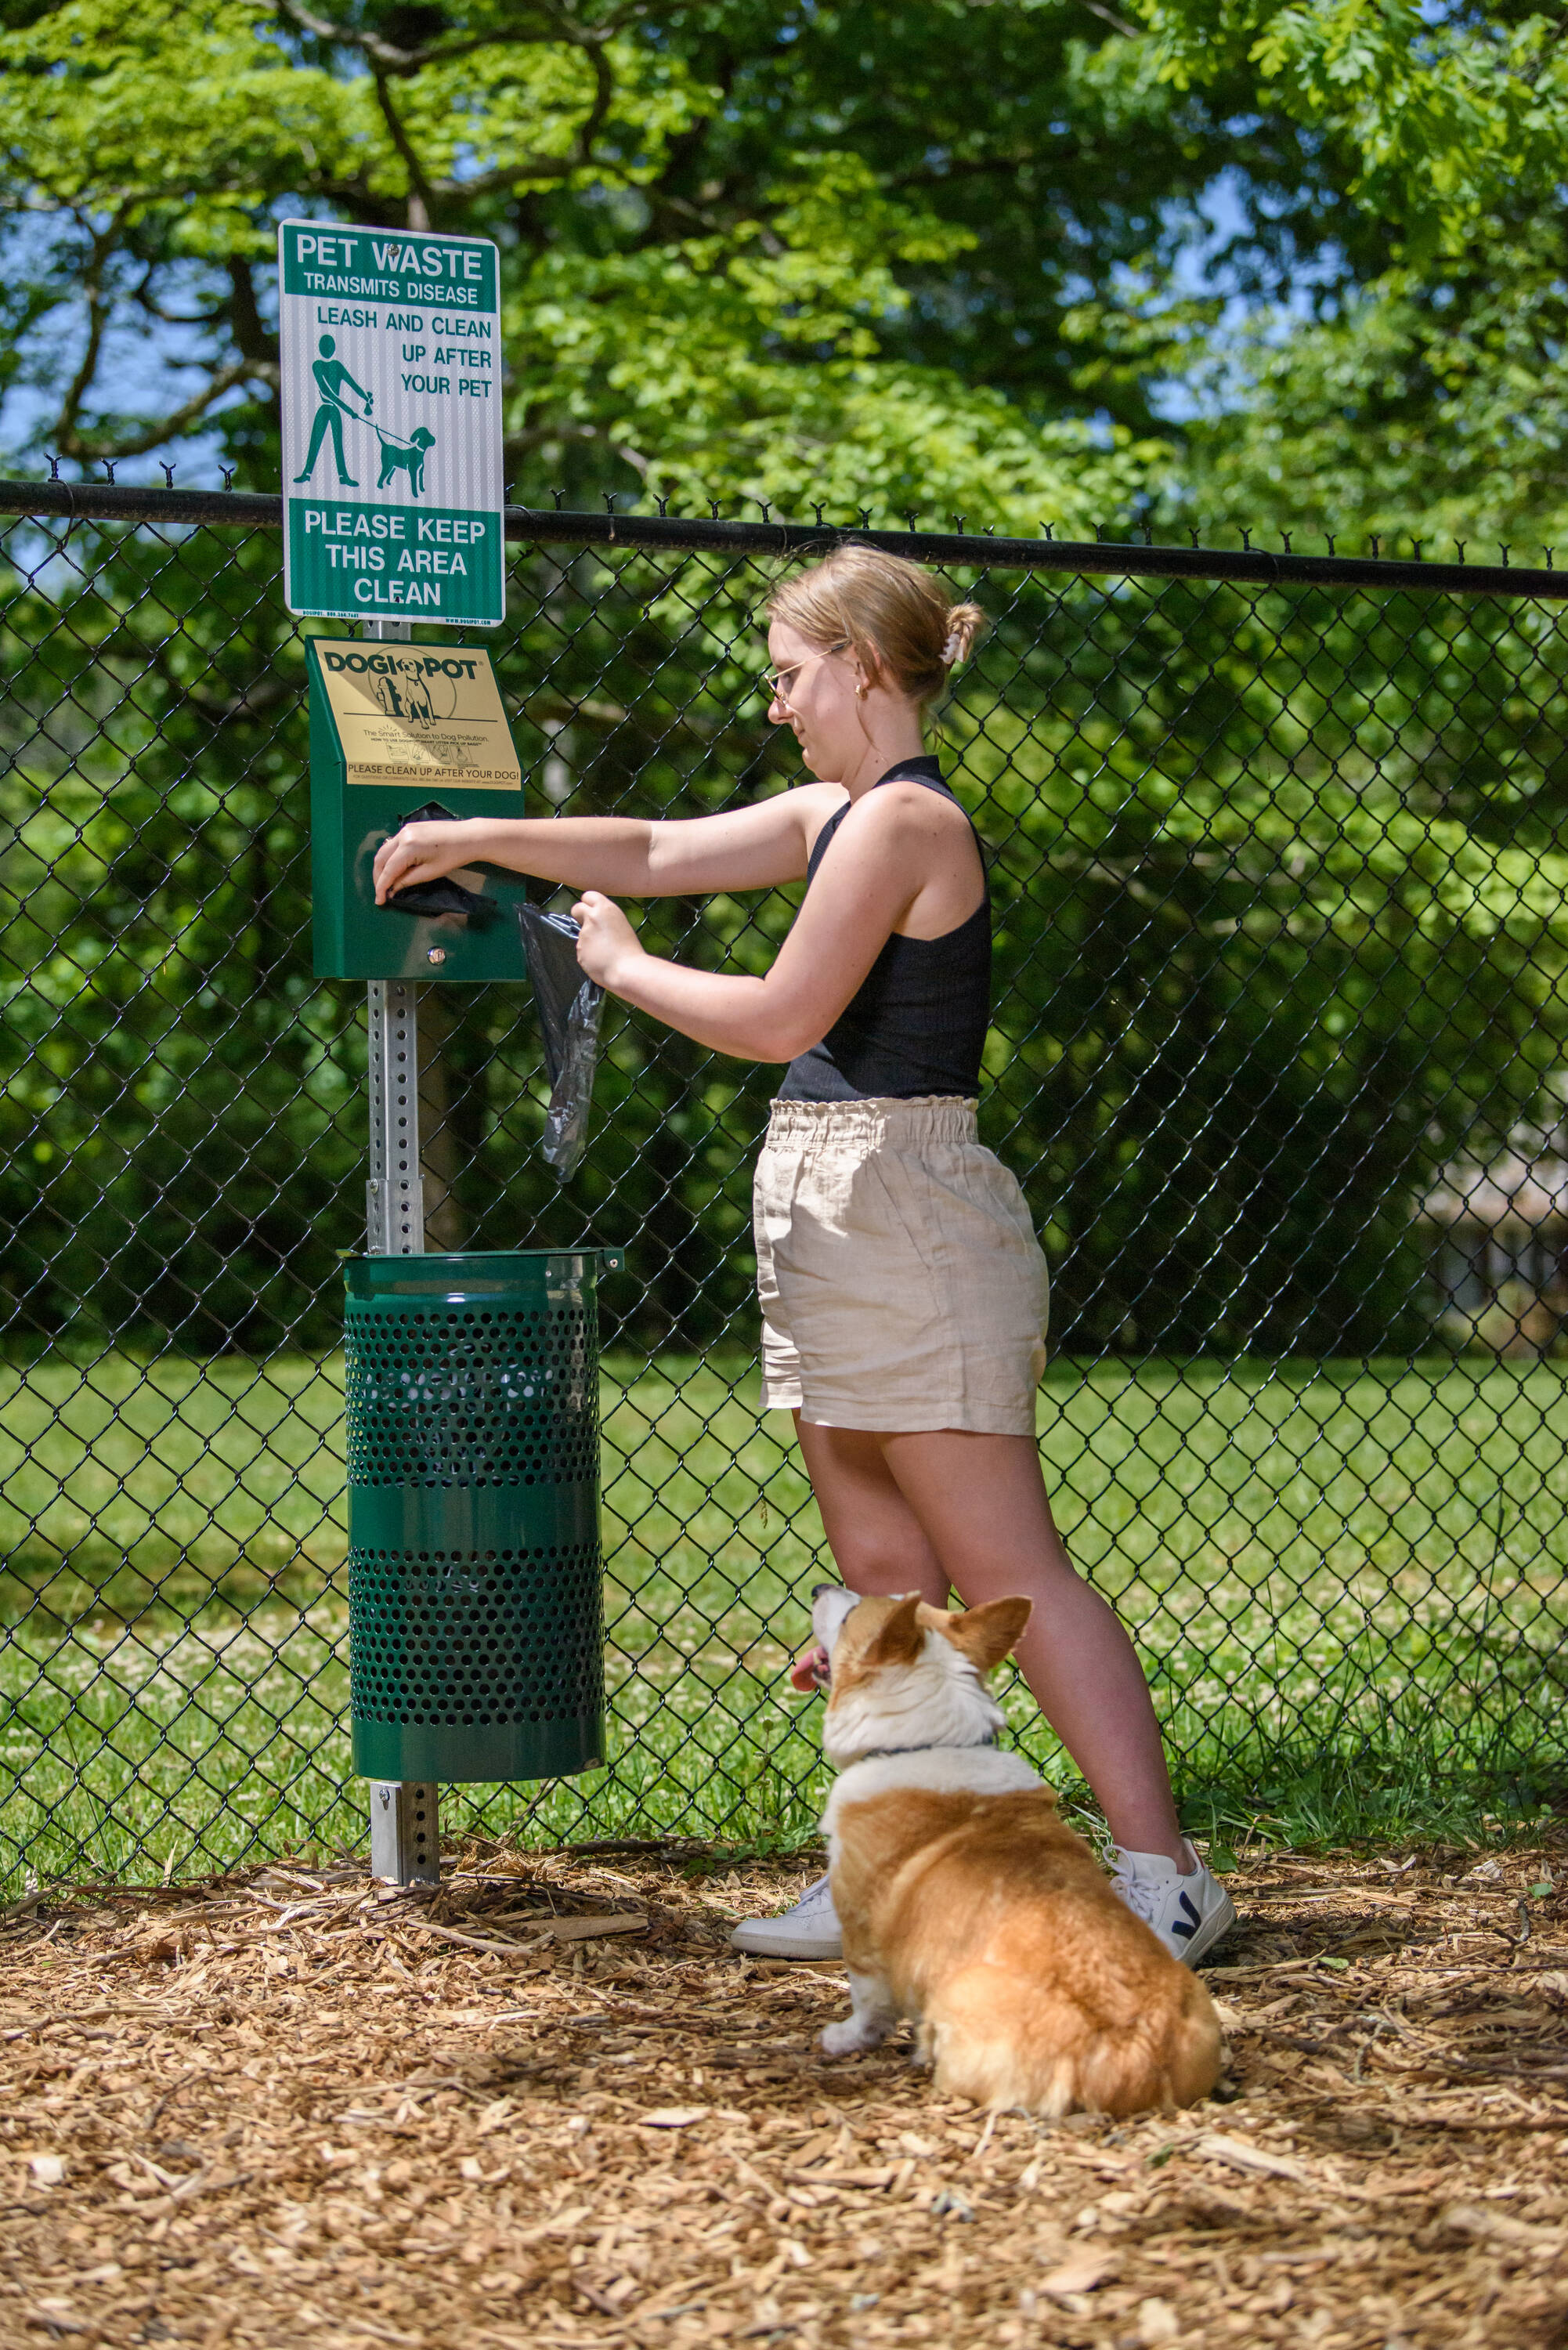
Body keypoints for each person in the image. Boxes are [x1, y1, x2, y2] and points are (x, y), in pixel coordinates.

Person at [370, 547, 1236, 1967]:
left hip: (905, 1204)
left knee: (1007, 1557)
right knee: (877, 1572)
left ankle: (1166, 1874)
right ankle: (893, 1872)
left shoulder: (903, 824)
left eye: (787, 674)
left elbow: (780, 1015)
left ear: (865, 669)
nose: (775, 706)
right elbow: (651, 847)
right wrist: (487, 834)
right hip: (834, 1206)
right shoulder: (836, 811)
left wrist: (620, 969)